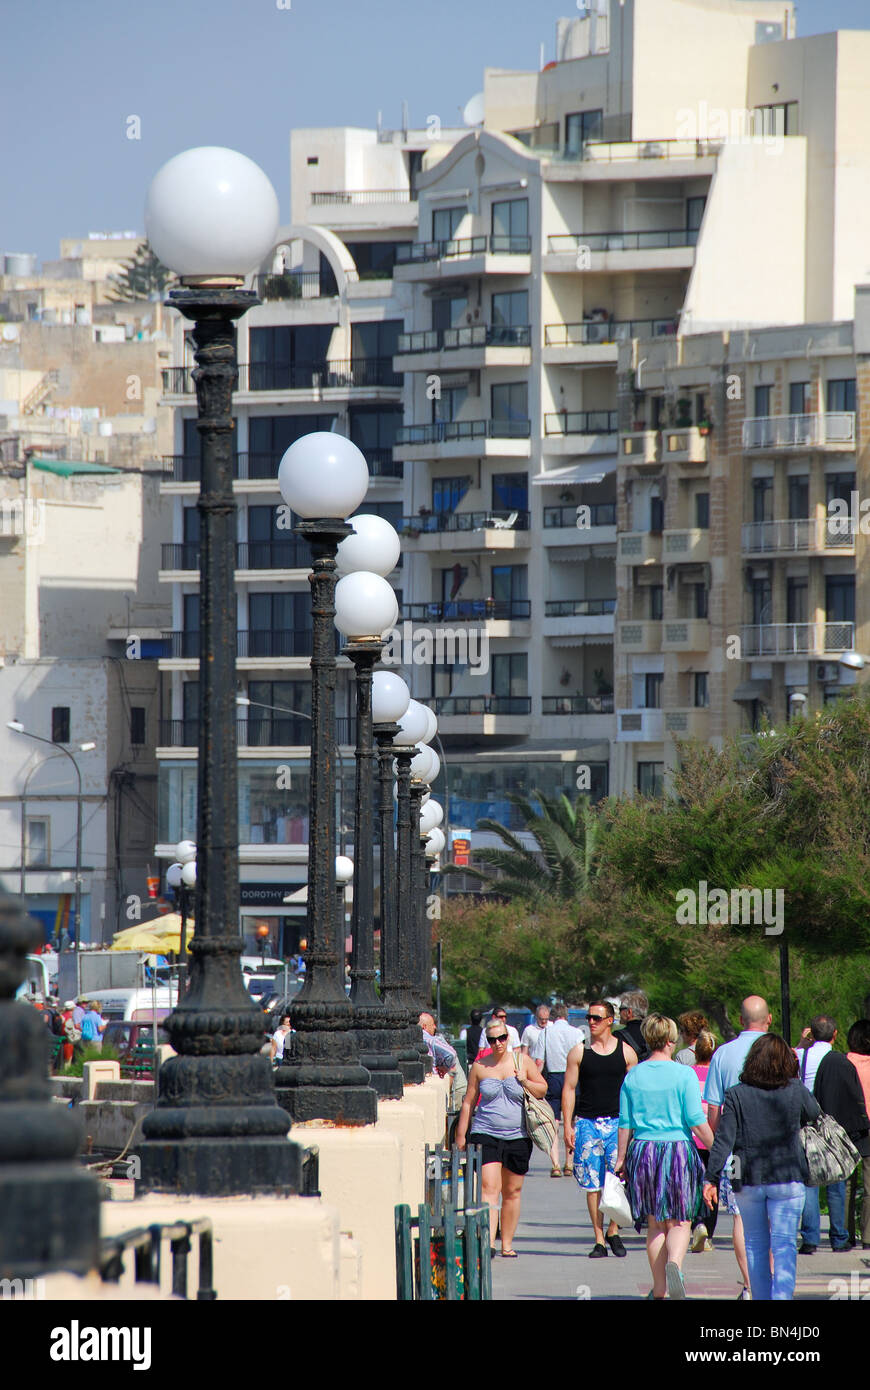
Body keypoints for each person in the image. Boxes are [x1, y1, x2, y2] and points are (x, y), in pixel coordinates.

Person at [704, 1034, 821, 1301]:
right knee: (785, 1245)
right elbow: (816, 1115)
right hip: (788, 1176)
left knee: (755, 1244)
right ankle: (782, 1298)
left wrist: (710, 1177)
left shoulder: (736, 1094)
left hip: (748, 1179)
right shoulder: (795, 1091)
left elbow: (724, 1138)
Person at [615, 1015, 713, 1299]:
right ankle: (675, 1264)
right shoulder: (684, 1075)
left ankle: (659, 1289)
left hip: (643, 1150)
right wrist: (717, 1148)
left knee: (655, 1223)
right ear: (672, 1040)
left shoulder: (633, 1075)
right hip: (678, 1150)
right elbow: (696, 1120)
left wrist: (621, 1158)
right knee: (680, 1221)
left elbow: (625, 1122)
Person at [456, 1012, 548, 1257]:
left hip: (518, 1135)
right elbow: (468, 1102)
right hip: (485, 1132)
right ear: (487, 1040)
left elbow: (542, 1089)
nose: (498, 1042)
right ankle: (489, 1243)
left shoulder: (522, 1061)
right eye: (493, 1039)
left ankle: (507, 1243)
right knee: (489, 1188)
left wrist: (524, 1081)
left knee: (512, 1191)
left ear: (508, 1037)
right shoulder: (479, 1067)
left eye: (502, 1038)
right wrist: (461, 1136)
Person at [704, 994, 772, 1298]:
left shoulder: (723, 1054)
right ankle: (768, 1280)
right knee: (772, 1218)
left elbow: (714, 1111)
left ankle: (749, 1285)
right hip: (774, 1149)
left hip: (736, 1152)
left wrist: (715, 1147)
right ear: (768, 1019)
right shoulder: (781, 1052)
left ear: (741, 1021)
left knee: (741, 1218)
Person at [562, 999, 638, 1257]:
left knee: (617, 1179)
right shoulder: (579, 1052)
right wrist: (567, 1125)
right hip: (587, 1123)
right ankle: (598, 1237)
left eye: (596, 1017)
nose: (591, 1022)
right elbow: (569, 1089)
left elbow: (635, 1092)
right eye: (589, 1017)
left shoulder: (627, 1053)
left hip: (619, 1123)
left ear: (609, 1021)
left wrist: (636, 1126)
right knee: (592, 1183)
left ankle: (614, 1229)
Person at [800, 1018, 870, 1253]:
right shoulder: (840, 1061)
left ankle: (810, 1238)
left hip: (808, 1126)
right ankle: (840, 1236)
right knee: (838, 1183)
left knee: (811, 1182)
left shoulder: (801, 1057)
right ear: (835, 1034)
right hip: (838, 1126)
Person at [531, 1003, 583, 1177]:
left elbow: (539, 1062)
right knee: (571, 1122)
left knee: (553, 1122)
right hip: (573, 1077)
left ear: (552, 1017)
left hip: (553, 1078)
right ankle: (569, 1163)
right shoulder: (577, 1033)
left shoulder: (545, 1032)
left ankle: (555, 1164)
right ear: (567, 1016)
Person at [689, 1029, 718, 1252]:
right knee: (712, 1184)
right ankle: (708, 1230)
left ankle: (696, 1222)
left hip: (691, 1139)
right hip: (713, 1138)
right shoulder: (718, 1076)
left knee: (693, 1185)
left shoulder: (688, 1074)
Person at [846, 1020, 870, 1249]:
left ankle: (845, 1234)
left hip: (847, 1128)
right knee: (869, 1188)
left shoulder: (844, 1062)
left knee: (847, 1186)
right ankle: (868, 1236)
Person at [793, 1014, 835, 1094]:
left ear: (811, 1034)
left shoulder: (800, 1055)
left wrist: (800, 1045)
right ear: (835, 1034)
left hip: (808, 1103)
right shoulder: (840, 1059)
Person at [618, 991, 649, 1061]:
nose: (619, 1013)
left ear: (629, 1012)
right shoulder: (655, 1032)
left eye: (620, 1009)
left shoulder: (618, 1036)